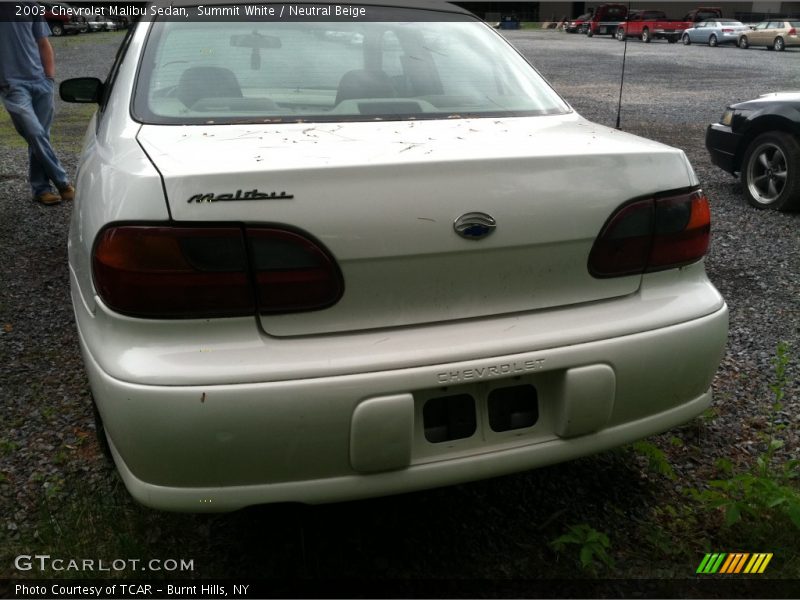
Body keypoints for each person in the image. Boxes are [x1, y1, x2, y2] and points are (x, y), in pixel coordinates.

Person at [0, 2, 74, 206]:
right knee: (34, 132)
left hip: (40, 81)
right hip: (12, 85)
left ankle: (41, 189)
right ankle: (63, 182)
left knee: (41, 135)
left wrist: (49, 79)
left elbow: (43, 42)